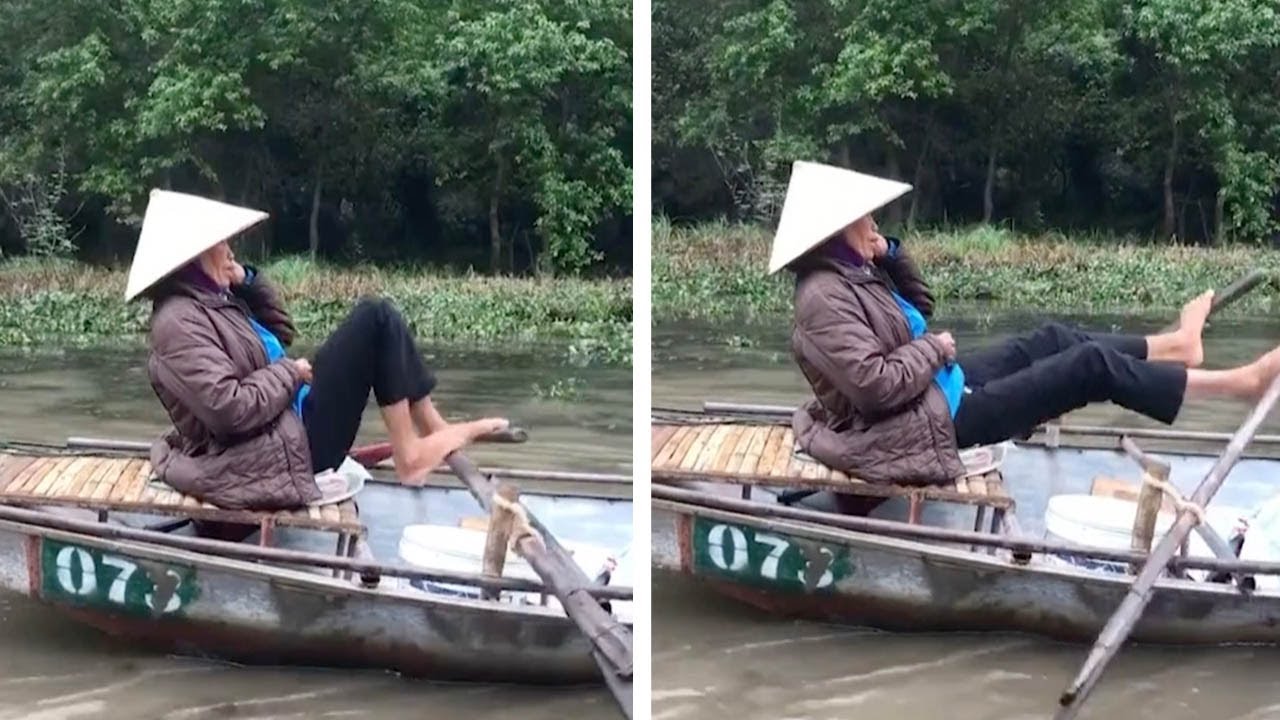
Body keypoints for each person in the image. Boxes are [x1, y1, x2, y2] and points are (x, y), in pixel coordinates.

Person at [772, 161, 1280, 491]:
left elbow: (920, 306)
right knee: (1088, 365)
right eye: (866, 220)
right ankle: (1240, 384)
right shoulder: (822, 298)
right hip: (925, 427)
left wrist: (889, 254)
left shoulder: (854, 273)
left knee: (1052, 339)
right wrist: (936, 349)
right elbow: (874, 386)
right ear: (836, 231)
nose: (874, 225)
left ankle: (1178, 345)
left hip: (937, 392)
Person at [125, 190, 507, 511]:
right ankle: (410, 456)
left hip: (288, 423)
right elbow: (229, 410)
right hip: (283, 450)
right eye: (220, 244)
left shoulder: (214, 301)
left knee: (382, 316)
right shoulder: (178, 322)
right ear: (193, 258)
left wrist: (247, 283)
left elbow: (281, 331)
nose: (229, 251)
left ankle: (433, 430)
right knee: (374, 318)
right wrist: (290, 373)